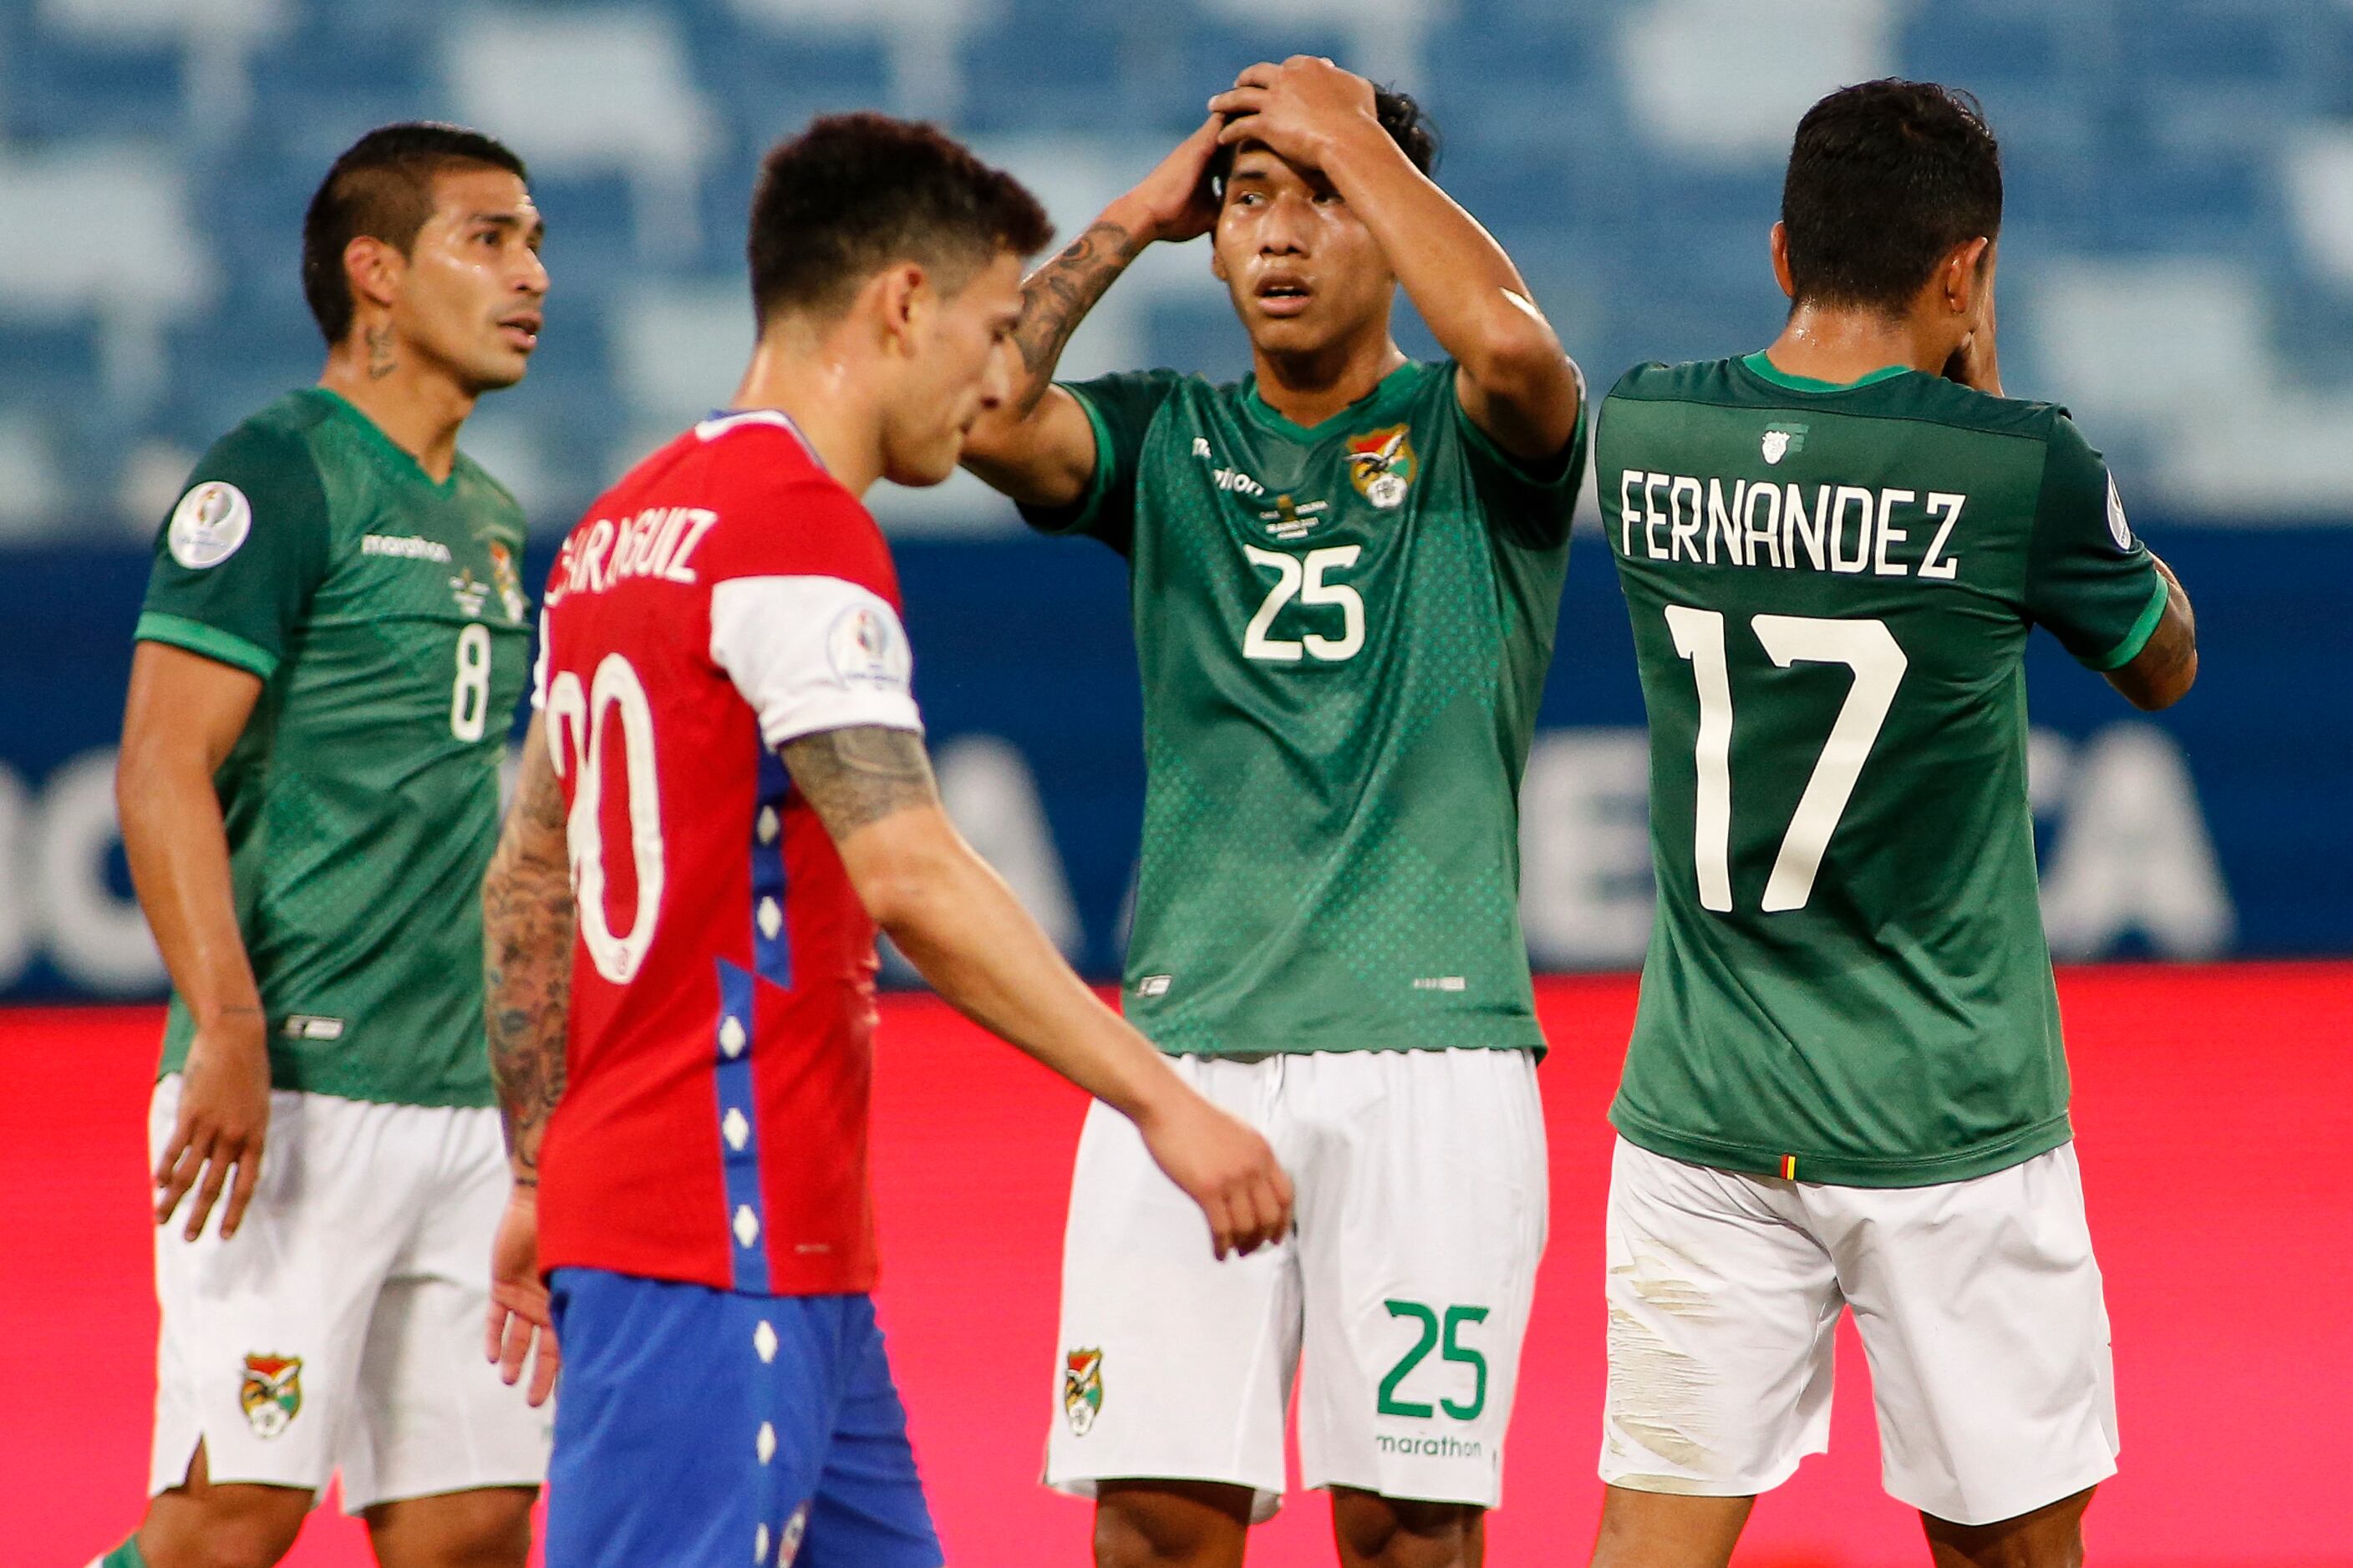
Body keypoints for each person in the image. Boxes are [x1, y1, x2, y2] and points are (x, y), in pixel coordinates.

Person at [476, 113, 1294, 1568]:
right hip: (712, 1229)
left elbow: (531, 876)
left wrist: (543, 1173)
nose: (998, 379)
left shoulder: (617, 525)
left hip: (756, 1239)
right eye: (989, 329)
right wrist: (1163, 1100)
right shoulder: (796, 526)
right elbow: (909, 871)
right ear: (901, 304)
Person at [960, 56, 1586, 1568]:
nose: (1280, 237)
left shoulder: (1481, 439)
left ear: (1391, 218)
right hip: (1190, 1050)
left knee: (1408, 1536)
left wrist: (1352, 142)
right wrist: (1132, 215)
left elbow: (1511, 342)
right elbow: (976, 410)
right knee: (1155, 1529)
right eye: (1248, 204)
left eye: (1321, 200)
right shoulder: (1165, 438)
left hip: (1430, 1054)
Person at [1586, 80, 2198, 1568]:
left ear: (1783, 253)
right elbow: (2164, 657)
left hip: (1704, 1116)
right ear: (1965, 271)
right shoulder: (2017, 466)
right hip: (1950, 1125)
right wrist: (1990, 400)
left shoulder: (1648, 429)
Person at [100, 124, 553, 1568]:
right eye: (488, 239)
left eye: (537, 240)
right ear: (375, 273)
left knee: (474, 1523)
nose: (532, 273)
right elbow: (162, 761)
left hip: (462, 1101)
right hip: (294, 1087)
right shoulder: (279, 471)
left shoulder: (489, 513)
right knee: (234, 1513)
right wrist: (226, 1025)